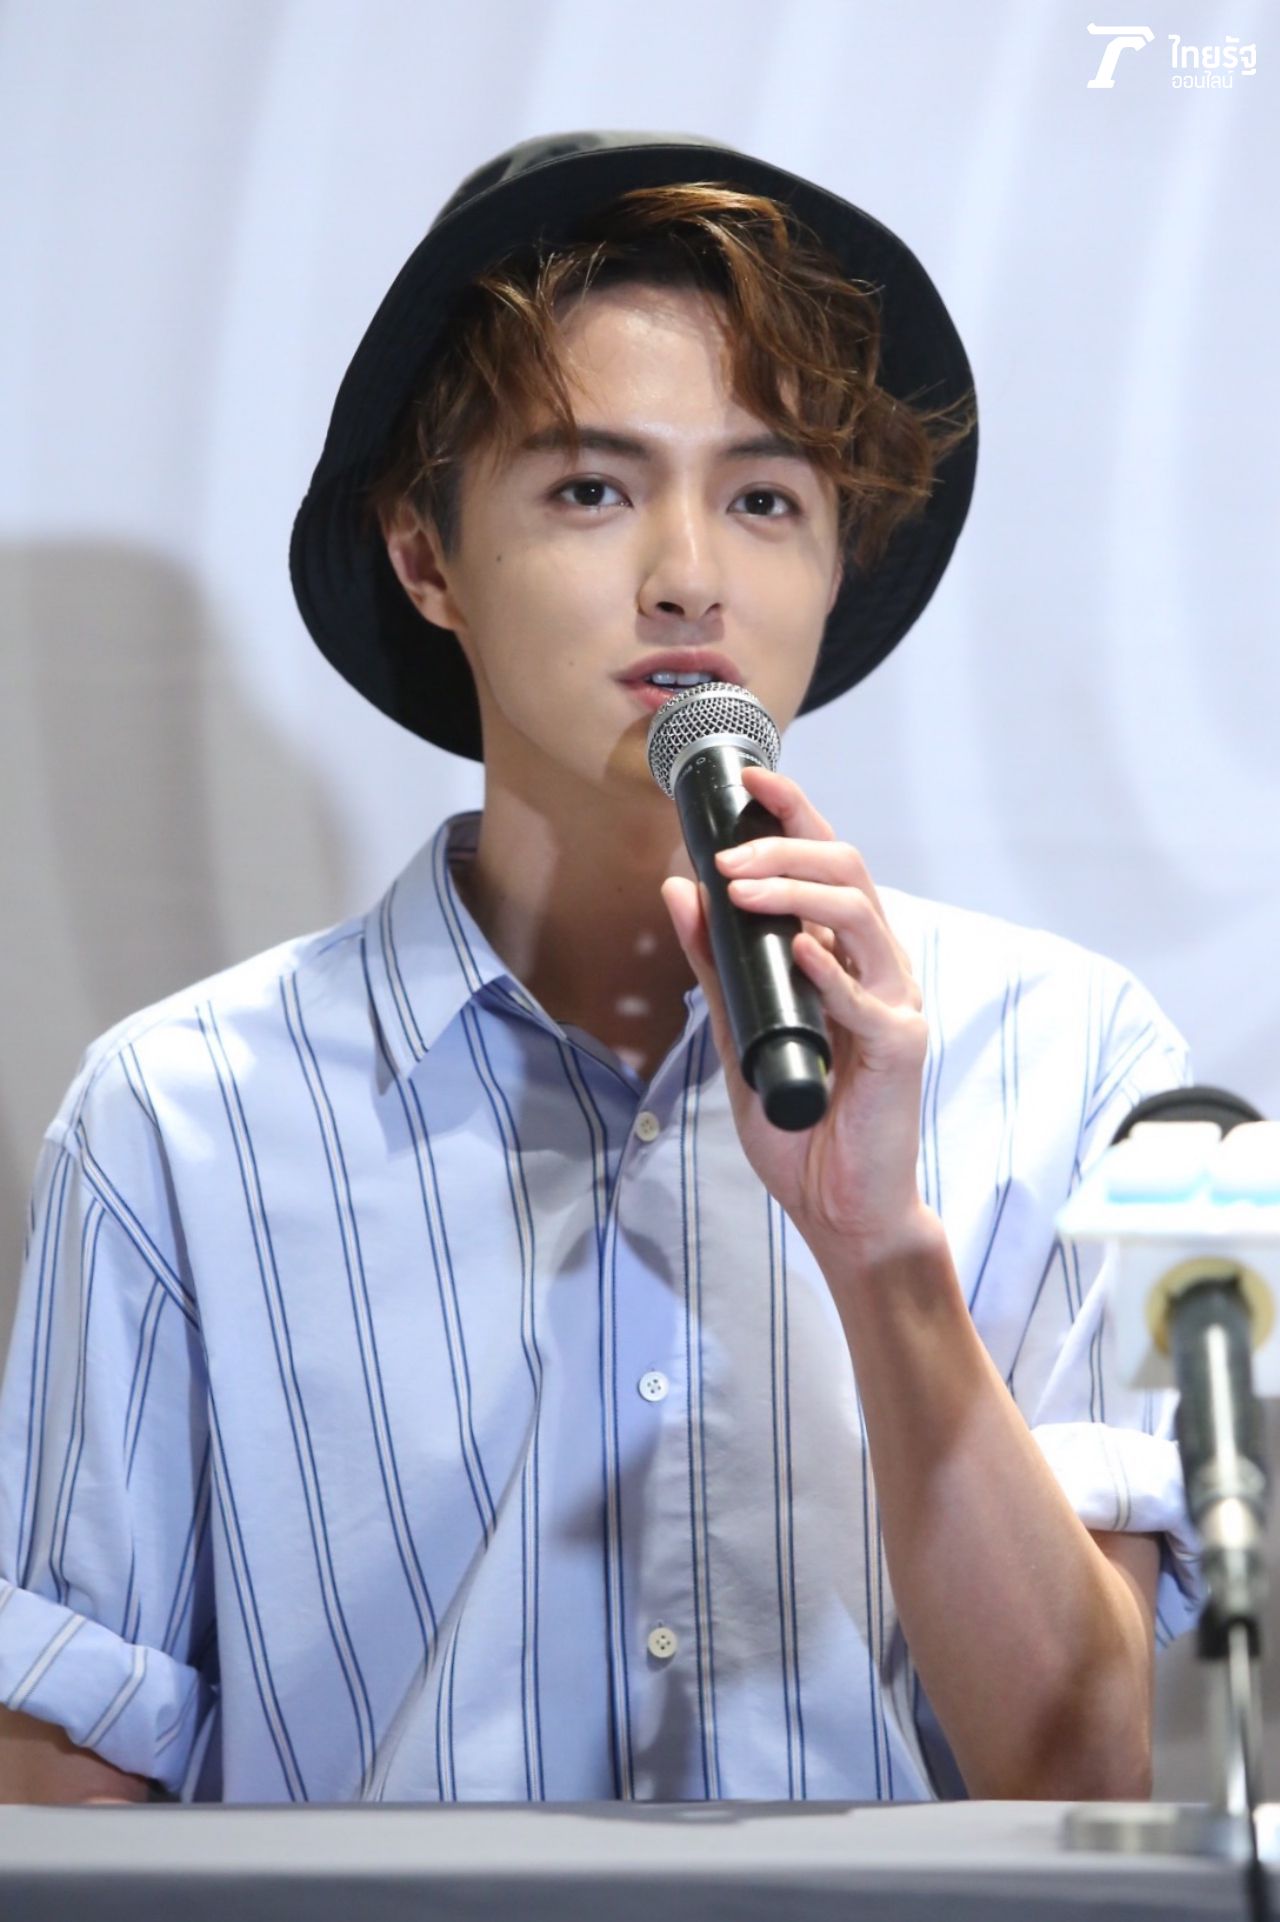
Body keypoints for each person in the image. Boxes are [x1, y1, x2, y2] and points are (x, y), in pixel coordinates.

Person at [0, 131, 1204, 1806]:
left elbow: (1096, 1767)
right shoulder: (178, 1113)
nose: (690, 575)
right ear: (427, 557)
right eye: (591, 488)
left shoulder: (1074, 1059)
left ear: (835, 564)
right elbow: (60, 1781)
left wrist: (880, 1250)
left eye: (766, 498)